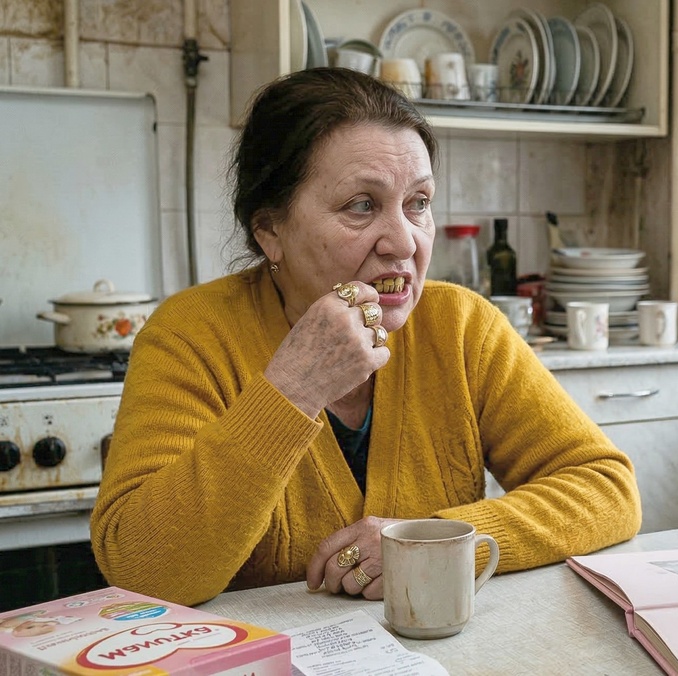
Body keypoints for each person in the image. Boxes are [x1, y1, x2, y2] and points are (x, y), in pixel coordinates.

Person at [90, 68, 641, 607]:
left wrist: (434, 540)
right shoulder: (191, 336)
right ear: (270, 231)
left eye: (418, 203)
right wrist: (291, 389)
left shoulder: (462, 326)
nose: (403, 241)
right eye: (361, 206)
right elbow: (144, 571)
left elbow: (607, 489)